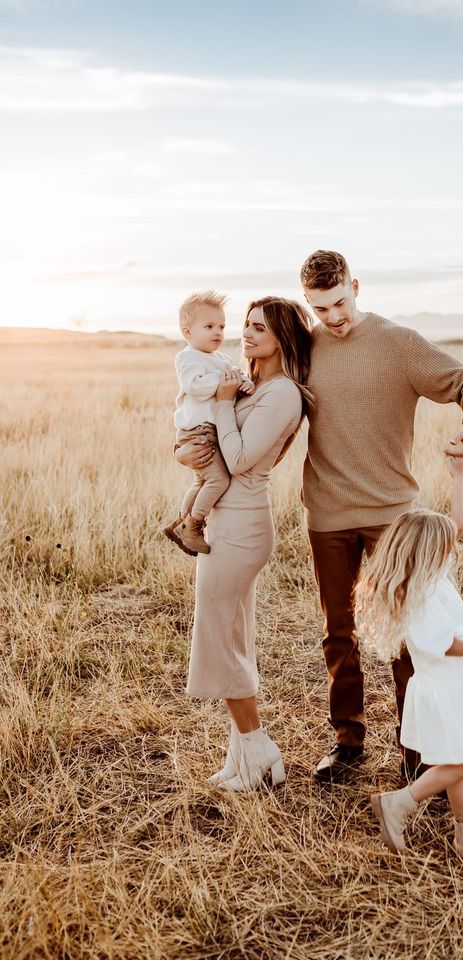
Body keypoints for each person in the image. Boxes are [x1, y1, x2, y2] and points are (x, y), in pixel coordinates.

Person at [299, 250, 463, 790]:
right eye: (320, 308)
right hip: (328, 515)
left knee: (410, 641)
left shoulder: (397, 344)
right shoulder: (305, 347)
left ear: (356, 287)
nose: (333, 316)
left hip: (393, 519)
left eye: (340, 302)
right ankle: (348, 744)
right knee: (339, 634)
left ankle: (422, 755)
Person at [354, 453, 463, 863]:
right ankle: (400, 802)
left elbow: (455, 526)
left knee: (456, 759)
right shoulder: (421, 600)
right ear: (428, 554)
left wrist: (457, 477)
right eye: (443, 547)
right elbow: (447, 645)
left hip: (451, 685)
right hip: (445, 689)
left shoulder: (430, 575)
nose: (452, 549)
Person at [177, 296, 313, 792]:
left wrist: (218, 405)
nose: (247, 334)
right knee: (233, 638)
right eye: (247, 326)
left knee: (219, 637)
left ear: (282, 338)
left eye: (260, 328)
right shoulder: (247, 383)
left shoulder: (282, 395)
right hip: (224, 522)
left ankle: (259, 750)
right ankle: (241, 757)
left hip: (243, 528)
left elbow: (234, 459)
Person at [163, 289, 253, 556]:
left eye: (222, 326)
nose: (218, 332)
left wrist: (243, 383)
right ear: (187, 332)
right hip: (197, 431)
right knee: (218, 480)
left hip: (211, 429)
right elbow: (196, 387)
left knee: (202, 481)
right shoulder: (187, 357)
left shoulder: (222, 359)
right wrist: (227, 383)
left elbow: (237, 377)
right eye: (209, 326)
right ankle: (193, 524)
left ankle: (179, 521)